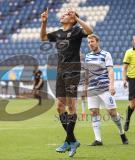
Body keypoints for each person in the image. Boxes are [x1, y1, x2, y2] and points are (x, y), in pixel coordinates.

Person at [40, 8, 93, 157]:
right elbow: (43, 37)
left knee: (71, 106)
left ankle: (67, 141)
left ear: (72, 19)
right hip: (60, 71)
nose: (62, 15)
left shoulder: (76, 31)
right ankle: (72, 140)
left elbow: (90, 31)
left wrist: (77, 17)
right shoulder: (58, 33)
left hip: (73, 71)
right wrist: (44, 22)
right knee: (59, 107)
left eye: (66, 15)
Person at [84, 34, 128, 146]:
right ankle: (98, 139)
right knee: (94, 112)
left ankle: (121, 132)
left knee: (112, 112)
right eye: (89, 42)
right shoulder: (87, 56)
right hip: (92, 89)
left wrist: (111, 85)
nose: (90, 44)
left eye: (92, 41)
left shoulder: (106, 54)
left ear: (97, 42)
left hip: (104, 89)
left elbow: (110, 71)